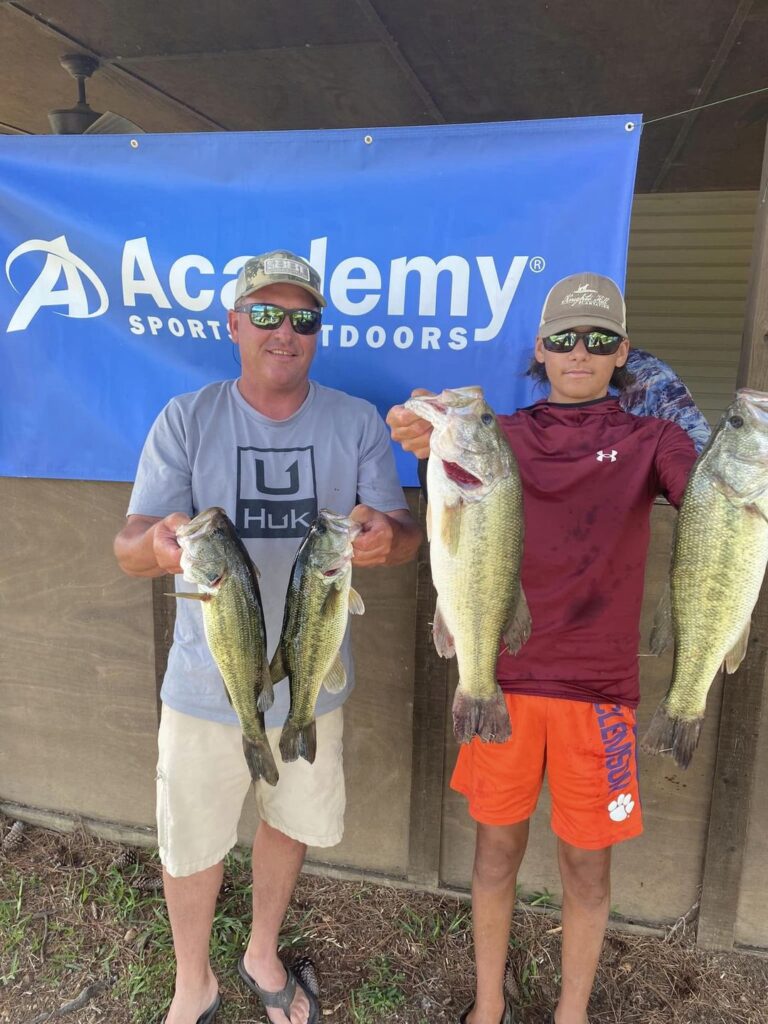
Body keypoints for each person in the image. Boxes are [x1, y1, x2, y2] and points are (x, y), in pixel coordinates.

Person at [114, 249, 422, 1024]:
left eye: (302, 318)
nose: (284, 331)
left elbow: (404, 532)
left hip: (312, 680)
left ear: (317, 331)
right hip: (202, 681)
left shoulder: (353, 421)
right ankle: (194, 982)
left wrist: (391, 536)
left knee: (290, 821)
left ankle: (259, 951)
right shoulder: (187, 418)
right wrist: (154, 549)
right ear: (233, 324)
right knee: (193, 840)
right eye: (265, 314)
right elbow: (128, 547)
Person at [386, 272, 699, 1024]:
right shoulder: (501, 436)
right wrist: (424, 426)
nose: (579, 352)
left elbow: (707, 496)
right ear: (540, 350)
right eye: (564, 338)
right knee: (494, 853)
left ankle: (572, 1012)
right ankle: (487, 1007)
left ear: (622, 352)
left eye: (598, 340)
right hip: (502, 680)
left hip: (602, 696)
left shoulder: (653, 439)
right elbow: (440, 464)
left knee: (587, 867)